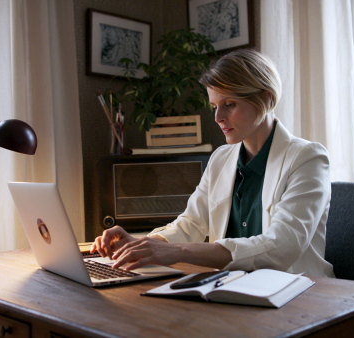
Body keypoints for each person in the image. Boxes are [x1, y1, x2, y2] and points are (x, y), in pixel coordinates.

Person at [91, 49, 334, 277]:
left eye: (229, 104)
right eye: (214, 106)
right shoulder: (221, 158)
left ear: (267, 99)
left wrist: (177, 252)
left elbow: (282, 246)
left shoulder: (307, 158)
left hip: (296, 293)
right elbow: (190, 224)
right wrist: (144, 244)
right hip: (233, 288)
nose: (218, 117)